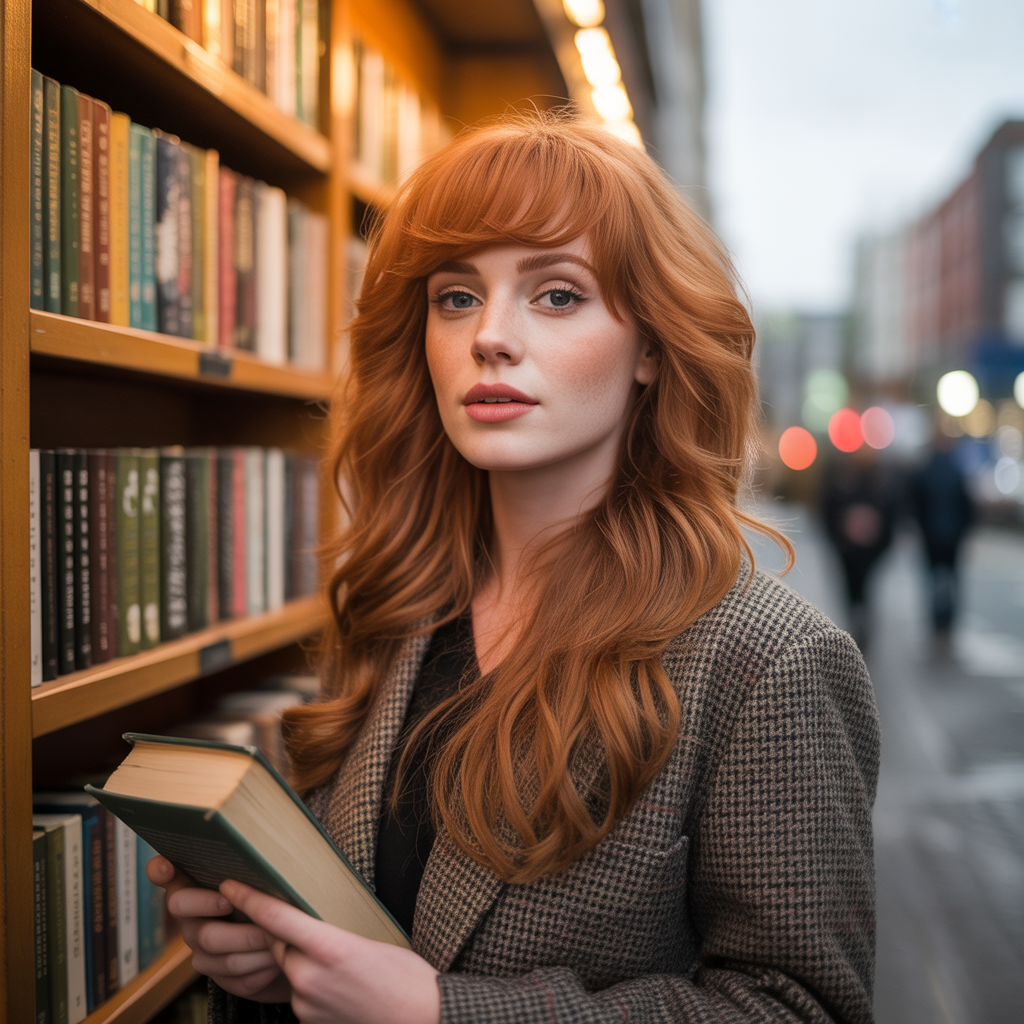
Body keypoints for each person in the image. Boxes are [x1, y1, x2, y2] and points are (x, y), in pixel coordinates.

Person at [147, 112, 880, 1024]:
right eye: (456, 298)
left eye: (558, 295)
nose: (489, 336)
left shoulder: (769, 661)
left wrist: (445, 1015)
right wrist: (268, 961)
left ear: (651, 347)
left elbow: (798, 1008)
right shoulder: (401, 599)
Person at [819, 445, 900, 650]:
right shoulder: (845, 485)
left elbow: (891, 520)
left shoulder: (878, 488)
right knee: (853, 591)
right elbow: (828, 514)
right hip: (851, 552)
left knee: (862, 591)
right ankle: (857, 628)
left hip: (864, 553)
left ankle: (861, 628)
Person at [910, 429, 974, 640]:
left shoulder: (924, 470)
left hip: (931, 537)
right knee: (952, 581)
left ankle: (937, 622)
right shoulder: (958, 471)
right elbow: (968, 507)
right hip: (953, 536)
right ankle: (948, 623)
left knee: (933, 581)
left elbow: (916, 506)